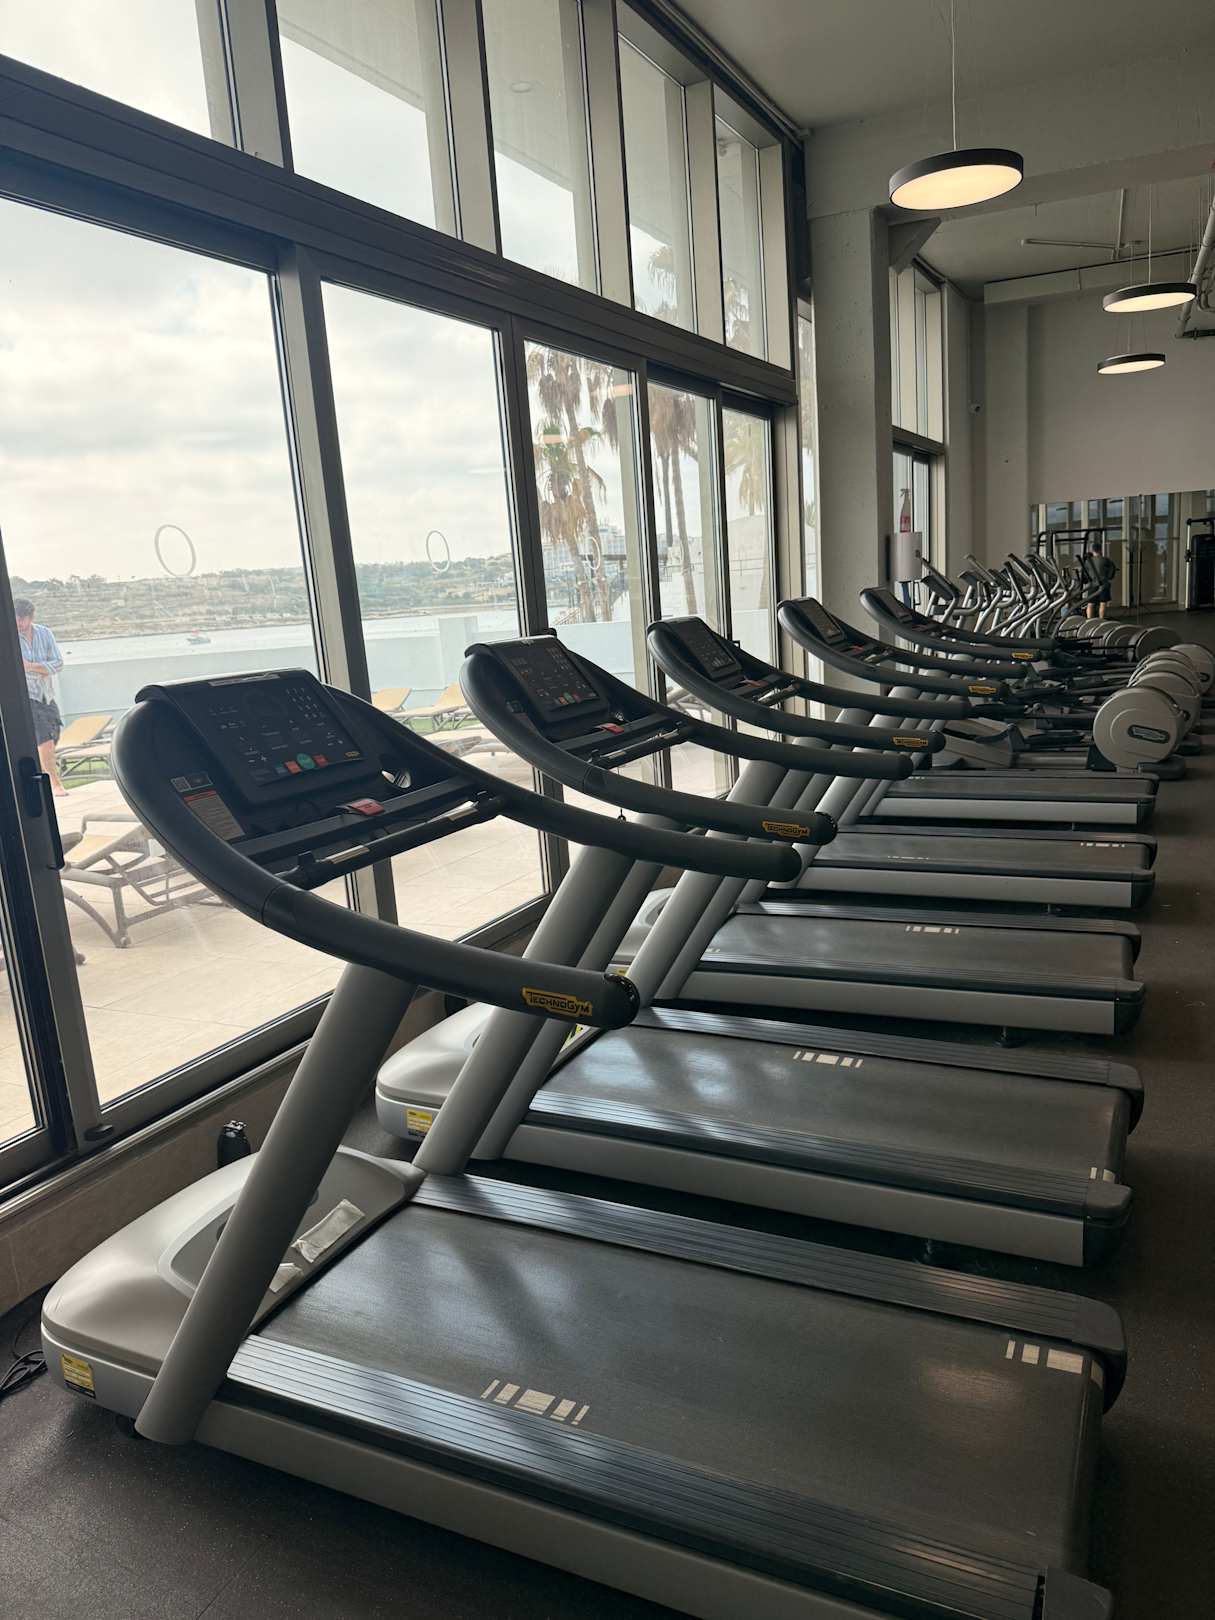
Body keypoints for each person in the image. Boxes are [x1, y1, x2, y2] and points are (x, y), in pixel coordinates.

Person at [14, 598, 68, 796]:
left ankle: (42, 771)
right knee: (44, 738)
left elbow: (58, 664)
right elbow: (17, 668)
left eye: (22, 619)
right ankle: (54, 782)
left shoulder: (45, 633)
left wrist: (31, 666)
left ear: (30, 617)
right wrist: (43, 668)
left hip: (47, 695)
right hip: (27, 695)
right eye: (16, 620)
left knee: (54, 735)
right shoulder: (10, 638)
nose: (19, 624)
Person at [1085, 541, 1118, 620]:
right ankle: (1101, 621)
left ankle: (1089, 621)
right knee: (1103, 603)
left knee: (1090, 604)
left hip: (1092, 585)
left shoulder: (1088, 561)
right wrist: (1108, 577)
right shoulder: (1106, 560)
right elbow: (1112, 572)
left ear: (1092, 550)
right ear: (1100, 550)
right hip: (1104, 584)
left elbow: (1085, 573)